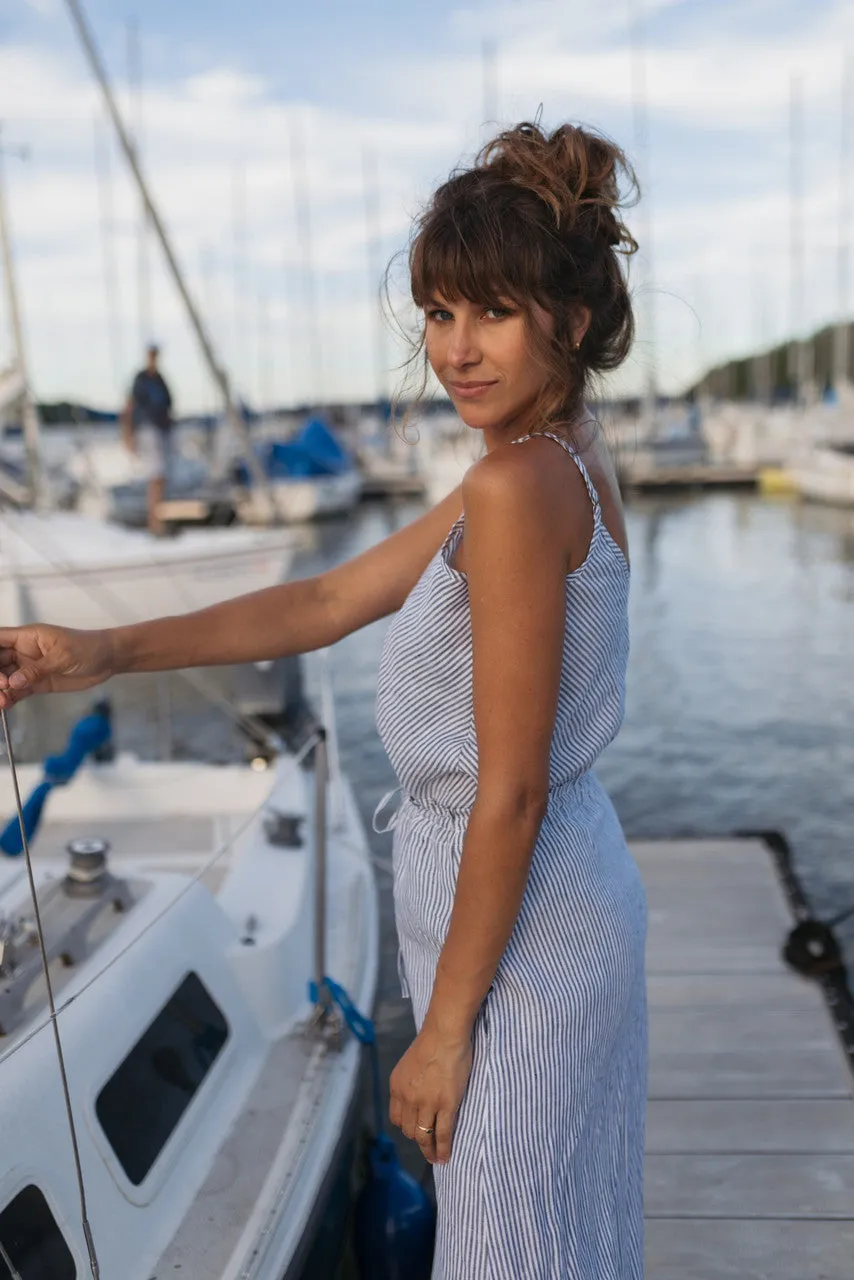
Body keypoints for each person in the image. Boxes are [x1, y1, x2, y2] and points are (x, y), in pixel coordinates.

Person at [0, 122, 647, 1279]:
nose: (455, 349)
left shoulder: (513, 483)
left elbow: (506, 790)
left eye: (491, 311)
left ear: (573, 319)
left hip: (518, 930)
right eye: (438, 314)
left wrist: (441, 1033)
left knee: (507, 1249)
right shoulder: (559, 454)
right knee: (564, 1234)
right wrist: (100, 650)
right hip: (566, 895)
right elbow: (330, 597)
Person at [122, 343, 173, 534]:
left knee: (160, 477)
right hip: (147, 430)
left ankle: (157, 519)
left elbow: (168, 406)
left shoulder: (160, 380)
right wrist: (128, 434)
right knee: (156, 475)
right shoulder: (141, 380)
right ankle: (154, 523)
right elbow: (129, 406)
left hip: (161, 431)